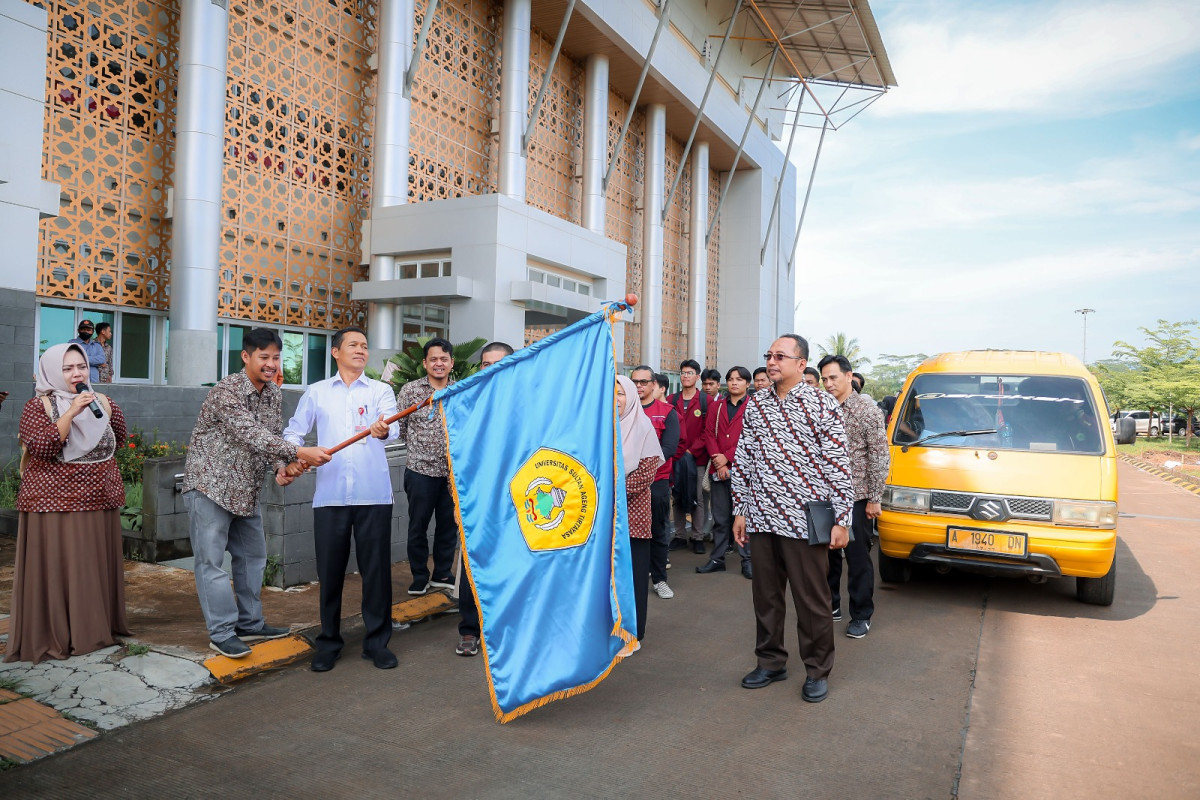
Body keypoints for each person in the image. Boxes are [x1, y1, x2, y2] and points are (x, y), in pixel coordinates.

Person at [183, 328, 332, 658]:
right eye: (264, 357)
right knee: (211, 563)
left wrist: (283, 466)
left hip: (246, 489)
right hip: (211, 485)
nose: (270, 364)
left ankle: (250, 624)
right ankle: (221, 632)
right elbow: (251, 435)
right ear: (246, 357)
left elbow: (271, 437)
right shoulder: (226, 392)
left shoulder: (274, 394)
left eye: (276, 357)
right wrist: (300, 453)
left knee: (252, 559)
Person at [732, 334, 854, 703]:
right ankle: (770, 661)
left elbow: (838, 465)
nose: (771, 361)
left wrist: (842, 519)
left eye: (780, 356)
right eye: (769, 355)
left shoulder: (821, 404)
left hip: (804, 520)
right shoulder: (756, 405)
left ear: (801, 364)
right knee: (766, 597)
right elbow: (744, 457)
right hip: (763, 516)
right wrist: (740, 508)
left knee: (811, 599)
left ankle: (817, 669)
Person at [283, 326, 399, 672]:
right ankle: (329, 643)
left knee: (376, 573)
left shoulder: (381, 390)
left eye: (365, 345)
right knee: (330, 573)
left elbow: (391, 427)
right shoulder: (317, 393)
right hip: (330, 497)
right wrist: (299, 453)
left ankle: (377, 643)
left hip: (373, 495)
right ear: (336, 352)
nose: (361, 350)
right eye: (353, 345)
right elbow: (293, 431)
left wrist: (383, 429)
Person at [6, 344, 130, 664]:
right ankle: (59, 633)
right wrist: (72, 412)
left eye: (81, 367)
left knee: (89, 570)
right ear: (51, 371)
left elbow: (120, 438)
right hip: (54, 505)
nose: (77, 374)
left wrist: (95, 412)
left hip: (98, 500)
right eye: (67, 368)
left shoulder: (104, 402)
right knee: (63, 571)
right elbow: (43, 448)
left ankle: (95, 627)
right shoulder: (37, 406)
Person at [819, 355, 889, 638]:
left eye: (833, 377)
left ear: (849, 376)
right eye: (824, 379)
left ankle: (861, 614)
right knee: (827, 553)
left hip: (857, 496)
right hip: (824, 494)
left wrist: (874, 497)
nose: (828, 384)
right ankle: (831, 605)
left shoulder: (866, 410)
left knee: (857, 555)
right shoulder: (821, 408)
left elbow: (879, 455)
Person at [454, 340, 514, 657]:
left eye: (498, 364)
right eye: (485, 365)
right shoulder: (467, 403)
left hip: (517, 500)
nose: (490, 370)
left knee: (512, 566)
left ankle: (505, 630)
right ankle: (469, 629)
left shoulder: (525, 403)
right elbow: (457, 457)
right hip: (477, 499)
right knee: (472, 565)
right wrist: (456, 500)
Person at [396, 337, 459, 596]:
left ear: (452, 363)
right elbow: (399, 429)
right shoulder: (411, 391)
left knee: (448, 526)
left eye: (444, 359)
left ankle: (442, 573)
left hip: (451, 474)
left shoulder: (459, 391)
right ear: (424, 363)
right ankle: (419, 576)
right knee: (417, 526)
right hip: (420, 471)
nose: (438, 364)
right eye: (433, 359)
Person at [616, 375, 664, 647]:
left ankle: (633, 632)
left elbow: (645, 476)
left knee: (632, 576)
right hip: (602, 518)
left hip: (633, 516)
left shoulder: (643, 427)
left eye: (621, 394)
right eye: (611, 394)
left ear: (632, 396)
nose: (616, 400)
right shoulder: (598, 428)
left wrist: (608, 490)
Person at [699, 365, 753, 579]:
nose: (734, 382)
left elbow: (752, 438)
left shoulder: (753, 407)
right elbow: (708, 434)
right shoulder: (717, 406)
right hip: (718, 469)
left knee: (745, 517)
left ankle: (747, 559)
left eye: (739, 379)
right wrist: (719, 463)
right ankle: (717, 558)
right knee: (721, 517)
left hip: (744, 471)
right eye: (731, 379)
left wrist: (728, 458)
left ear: (747, 384)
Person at [630, 365, 679, 600]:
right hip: (626, 485)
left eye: (643, 382)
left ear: (653, 385)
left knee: (658, 531)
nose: (638, 386)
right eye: (634, 382)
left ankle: (659, 579)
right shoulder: (621, 409)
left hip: (656, 482)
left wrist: (643, 470)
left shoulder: (666, 412)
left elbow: (669, 447)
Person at [667, 359, 709, 554]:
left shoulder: (705, 401)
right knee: (677, 495)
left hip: (697, 458)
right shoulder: (671, 400)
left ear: (698, 376)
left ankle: (698, 536)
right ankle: (680, 535)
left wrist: (691, 450)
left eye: (690, 373)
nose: (685, 376)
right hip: (675, 457)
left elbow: (708, 431)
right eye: (683, 372)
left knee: (697, 498)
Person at [68, 319, 107, 384]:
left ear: (92, 331)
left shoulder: (96, 345)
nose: (85, 331)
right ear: (78, 330)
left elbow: (101, 359)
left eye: (88, 330)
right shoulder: (72, 344)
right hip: (77, 381)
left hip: (94, 381)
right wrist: (95, 362)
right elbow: (71, 359)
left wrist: (81, 358)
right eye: (83, 329)